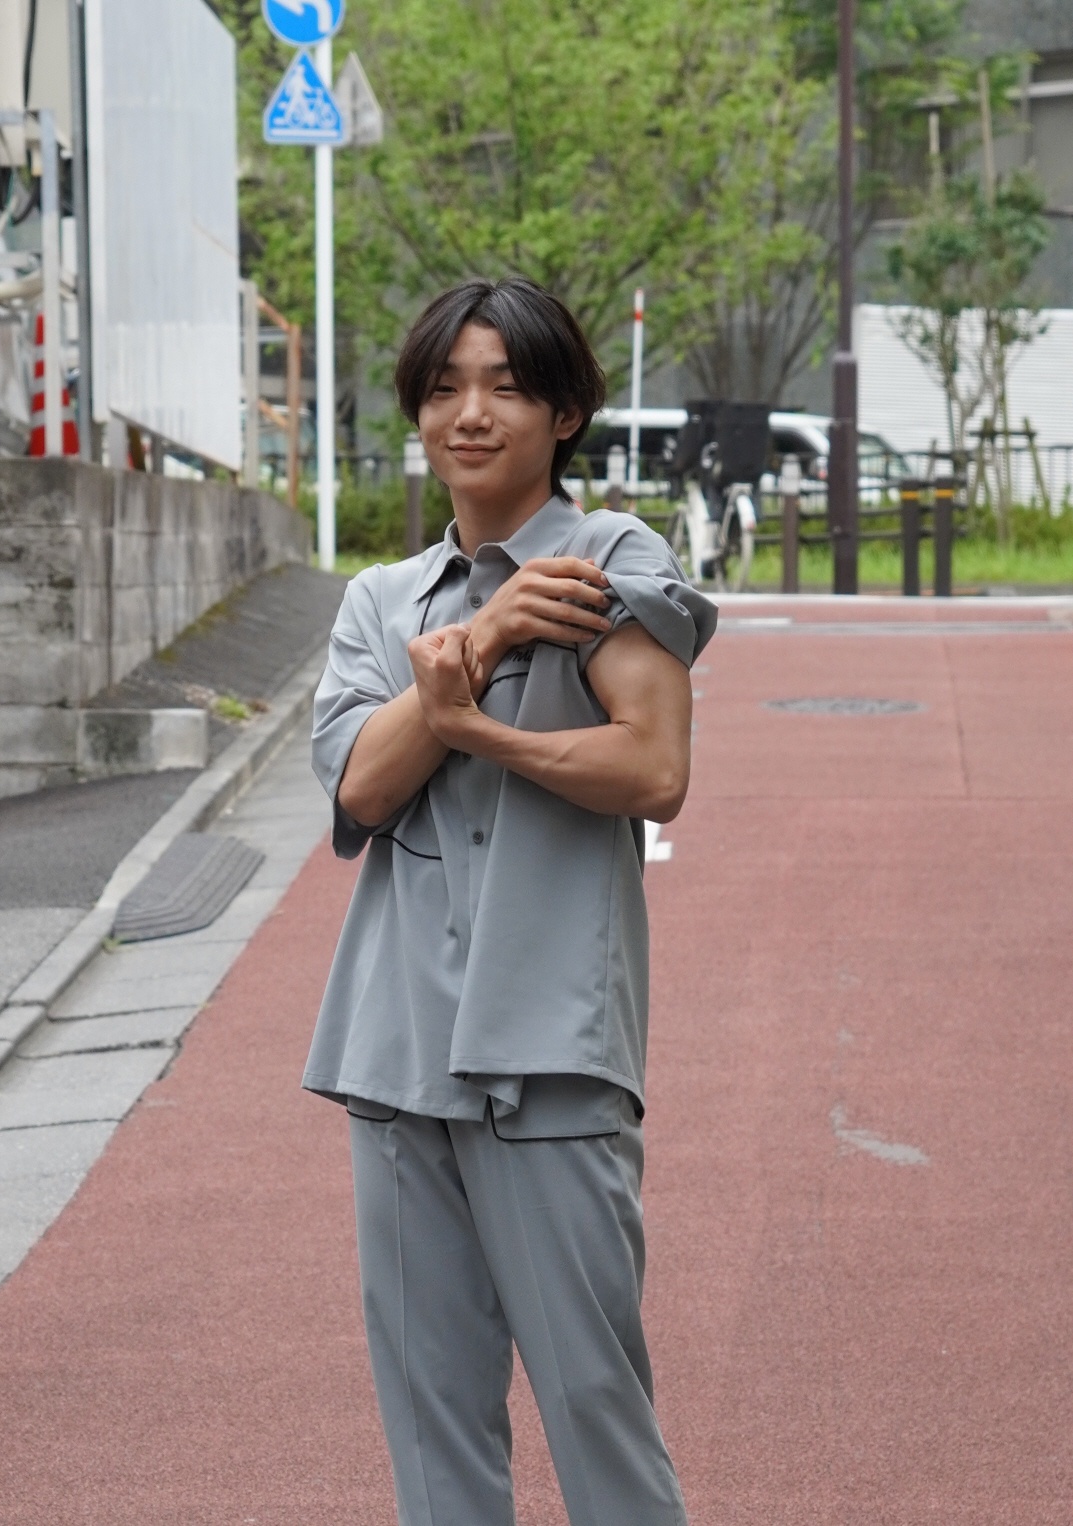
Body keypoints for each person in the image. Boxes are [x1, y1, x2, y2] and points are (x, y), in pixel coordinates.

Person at [304, 276, 716, 1526]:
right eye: (443, 389)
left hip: (549, 1050)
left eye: (503, 386)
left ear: (565, 411)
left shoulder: (611, 560)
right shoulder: (380, 600)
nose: (469, 413)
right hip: (395, 1050)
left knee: (593, 1401)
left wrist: (477, 728)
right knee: (432, 1422)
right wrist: (479, 646)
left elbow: (654, 770)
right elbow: (360, 789)